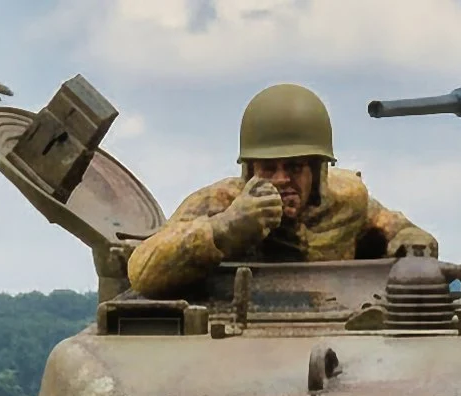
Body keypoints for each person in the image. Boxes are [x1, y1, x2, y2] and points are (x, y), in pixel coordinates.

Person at [126, 84, 438, 299]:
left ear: (318, 171)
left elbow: (410, 237)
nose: (281, 179)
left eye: (294, 167)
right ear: (249, 170)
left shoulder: (347, 201)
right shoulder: (221, 203)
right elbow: (143, 271)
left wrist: (408, 247)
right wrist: (226, 228)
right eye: (268, 168)